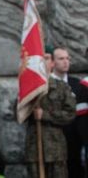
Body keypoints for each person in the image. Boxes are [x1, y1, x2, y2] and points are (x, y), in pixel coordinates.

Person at [24, 48, 76, 178]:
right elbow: (17, 112)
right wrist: (31, 112)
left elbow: (70, 114)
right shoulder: (28, 87)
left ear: (52, 63)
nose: (43, 62)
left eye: (46, 58)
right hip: (34, 147)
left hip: (55, 148)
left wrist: (45, 115)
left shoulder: (61, 87)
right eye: (40, 59)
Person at [50, 47, 88, 178]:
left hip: (75, 140)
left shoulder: (78, 84)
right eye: (61, 58)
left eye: (67, 58)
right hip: (53, 140)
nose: (66, 62)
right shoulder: (45, 85)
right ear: (52, 62)